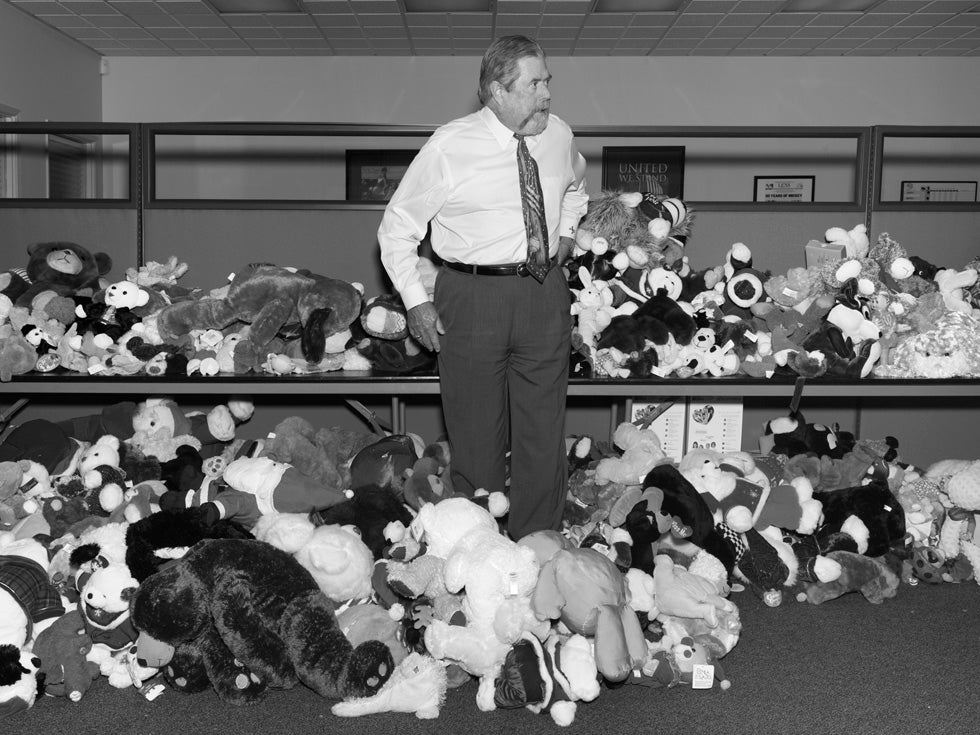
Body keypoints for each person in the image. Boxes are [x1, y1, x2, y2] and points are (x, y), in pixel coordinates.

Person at [377, 35, 589, 540]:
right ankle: (479, 543)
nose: (546, 94)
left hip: (543, 293)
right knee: (475, 435)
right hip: (470, 298)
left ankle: (539, 542)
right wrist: (417, 302)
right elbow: (398, 228)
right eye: (534, 84)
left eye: (547, 81)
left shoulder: (558, 135)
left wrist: (564, 235)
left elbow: (577, 187)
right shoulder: (451, 145)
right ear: (497, 90)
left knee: (543, 431)